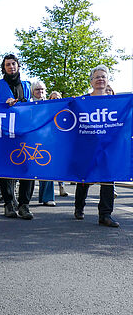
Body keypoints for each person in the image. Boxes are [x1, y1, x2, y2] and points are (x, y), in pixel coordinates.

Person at [0, 54, 35, 220]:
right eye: (8, 65)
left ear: (18, 66)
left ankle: (24, 205)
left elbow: (33, 108)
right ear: (4, 68)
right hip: (4, 134)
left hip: (24, 133)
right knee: (5, 168)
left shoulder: (27, 86)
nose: (11, 67)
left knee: (27, 168)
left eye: (13, 64)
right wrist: (3, 106)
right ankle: (8, 203)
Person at [74, 65, 119, 227]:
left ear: (107, 81)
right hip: (88, 147)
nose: (100, 79)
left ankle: (105, 214)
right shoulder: (82, 101)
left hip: (108, 148)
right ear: (91, 81)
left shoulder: (115, 103)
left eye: (103, 76)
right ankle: (79, 207)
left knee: (108, 177)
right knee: (84, 179)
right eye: (97, 77)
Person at [31, 80, 55, 207]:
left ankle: (47, 197)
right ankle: (25, 198)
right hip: (30, 139)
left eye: (42, 90)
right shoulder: (27, 105)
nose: (40, 92)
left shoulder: (50, 105)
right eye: (37, 90)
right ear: (32, 92)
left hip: (46, 139)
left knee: (47, 167)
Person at [48, 90, 69, 196]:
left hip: (61, 141)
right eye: (53, 98)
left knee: (61, 164)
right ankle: (49, 192)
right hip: (50, 141)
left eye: (57, 98)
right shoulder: (47, 111)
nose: (56, 100)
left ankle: (62, 186)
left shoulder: (65, 110)